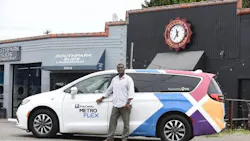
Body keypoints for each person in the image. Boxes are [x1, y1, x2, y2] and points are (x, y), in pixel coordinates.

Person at [96, 63, 135, 141]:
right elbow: (109, 90)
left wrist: (128, 102)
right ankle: (110, 137)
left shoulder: (128, 79)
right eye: (118, 68)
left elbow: (131, 91)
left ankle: (124, 138)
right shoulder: (115, 79)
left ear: (124, 69)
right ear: (117, 69)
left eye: (121, 67)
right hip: (116, 104)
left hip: (125, 105)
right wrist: (102, 98)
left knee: (126, 123)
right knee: (112, 121)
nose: (120, 69)